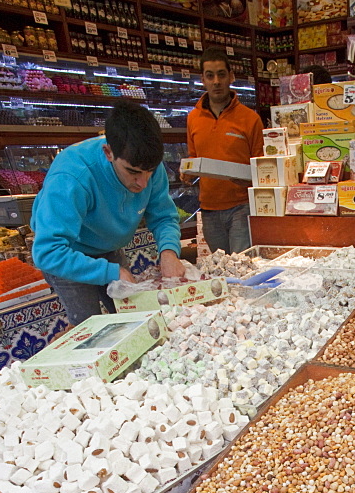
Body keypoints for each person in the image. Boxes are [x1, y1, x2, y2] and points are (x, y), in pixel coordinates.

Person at [32, 98, 184, 325]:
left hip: (109, 247)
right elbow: (47, 252)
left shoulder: (150, 166)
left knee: (134, 317)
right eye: (133, 172)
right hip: (68, 253)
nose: (142, 183)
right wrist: (111, 272)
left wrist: (169, 251)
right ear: (108, 152)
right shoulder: (72, 176)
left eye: (149, 172)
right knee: (90, 325)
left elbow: (163, 216)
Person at [185, 47, 263, 254]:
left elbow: (263, 166)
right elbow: (193, 157)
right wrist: (186, 171)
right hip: (209, 209)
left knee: (241, 267)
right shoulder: (193, 118)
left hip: (241, 206)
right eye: (210, 76)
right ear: (202, 79)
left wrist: (249, 179)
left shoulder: (250, 118)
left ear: (231, 77)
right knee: (221, 269)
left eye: (221, 74)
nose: (216, 81)